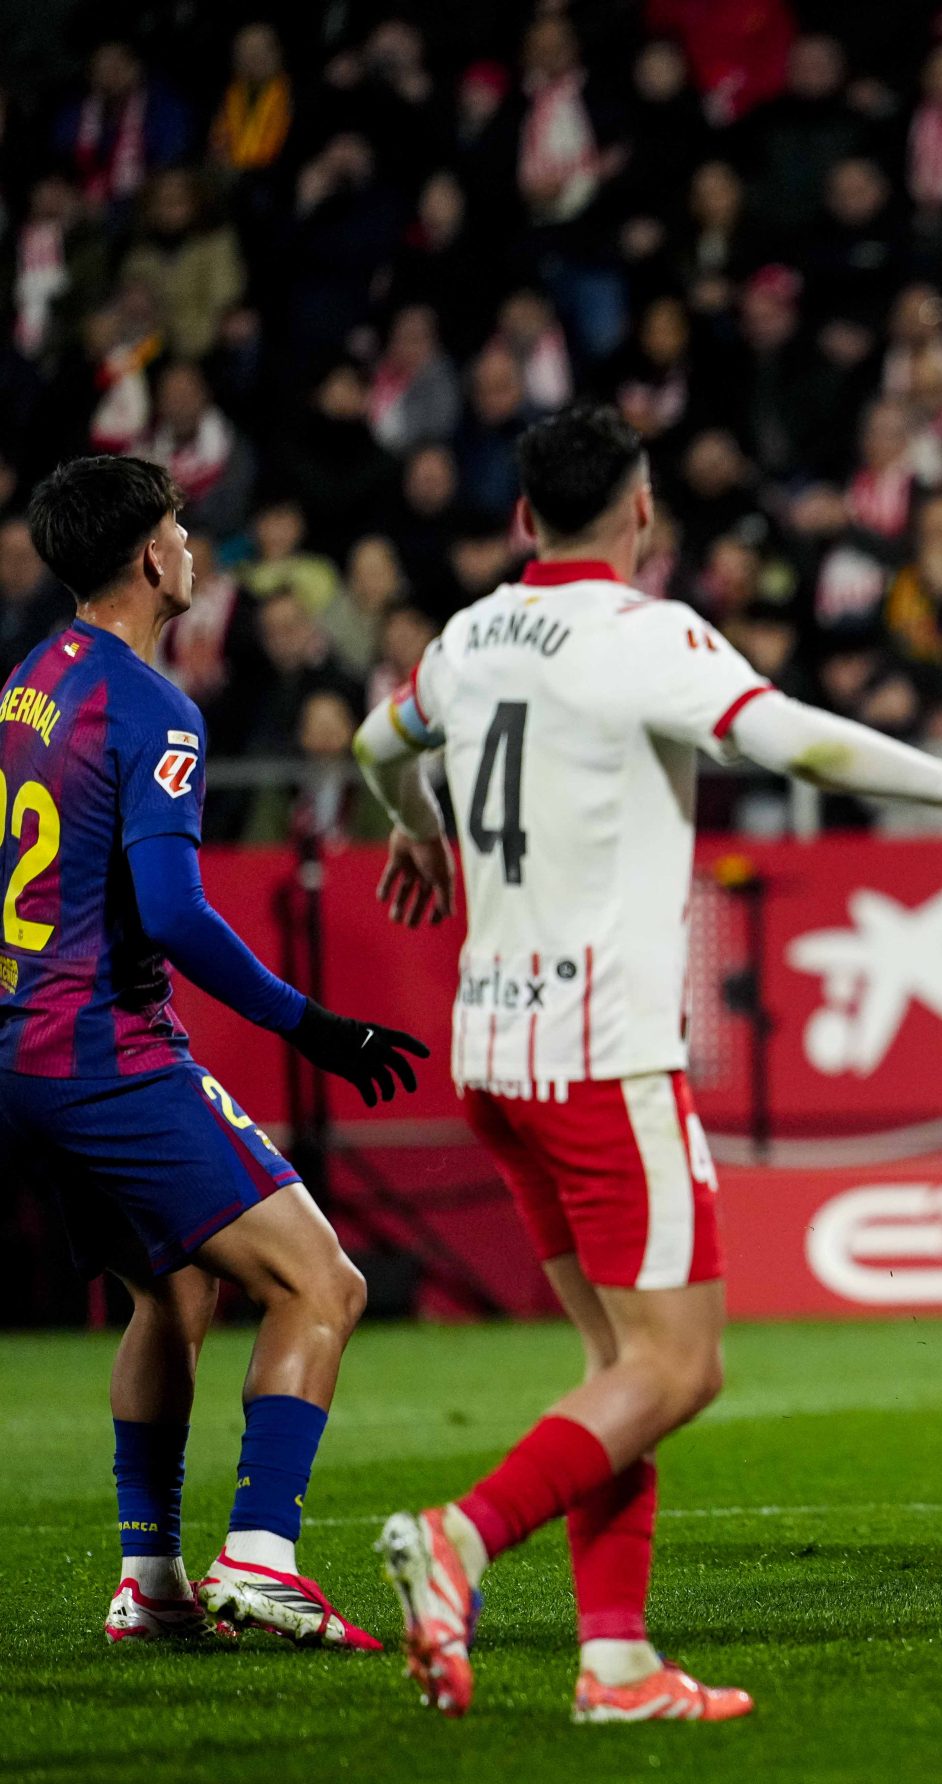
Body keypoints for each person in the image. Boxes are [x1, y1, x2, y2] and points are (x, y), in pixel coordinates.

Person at [354, 406, 942, 1721]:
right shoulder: (644, 638)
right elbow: (791, 738)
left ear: (520, 521)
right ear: (644, 515)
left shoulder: (467, 637)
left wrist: (417, 830)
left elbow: (381, 746)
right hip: (606, 1053)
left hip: (492, 1052)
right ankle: (463, 1539)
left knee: (621, 1367)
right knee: (679, 1368)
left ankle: (615, 1663)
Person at [0, 455, 428, 1650]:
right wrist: (316, 1025)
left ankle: (151, 1577)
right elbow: (177, 911)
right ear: (149, 555)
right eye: (184, 526)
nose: (196, 547)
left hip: (23, 1053)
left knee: (173, 1288)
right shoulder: (155, 709)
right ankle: (263, 1551)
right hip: (105, 1052)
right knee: (321, 1281)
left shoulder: (26, 684)